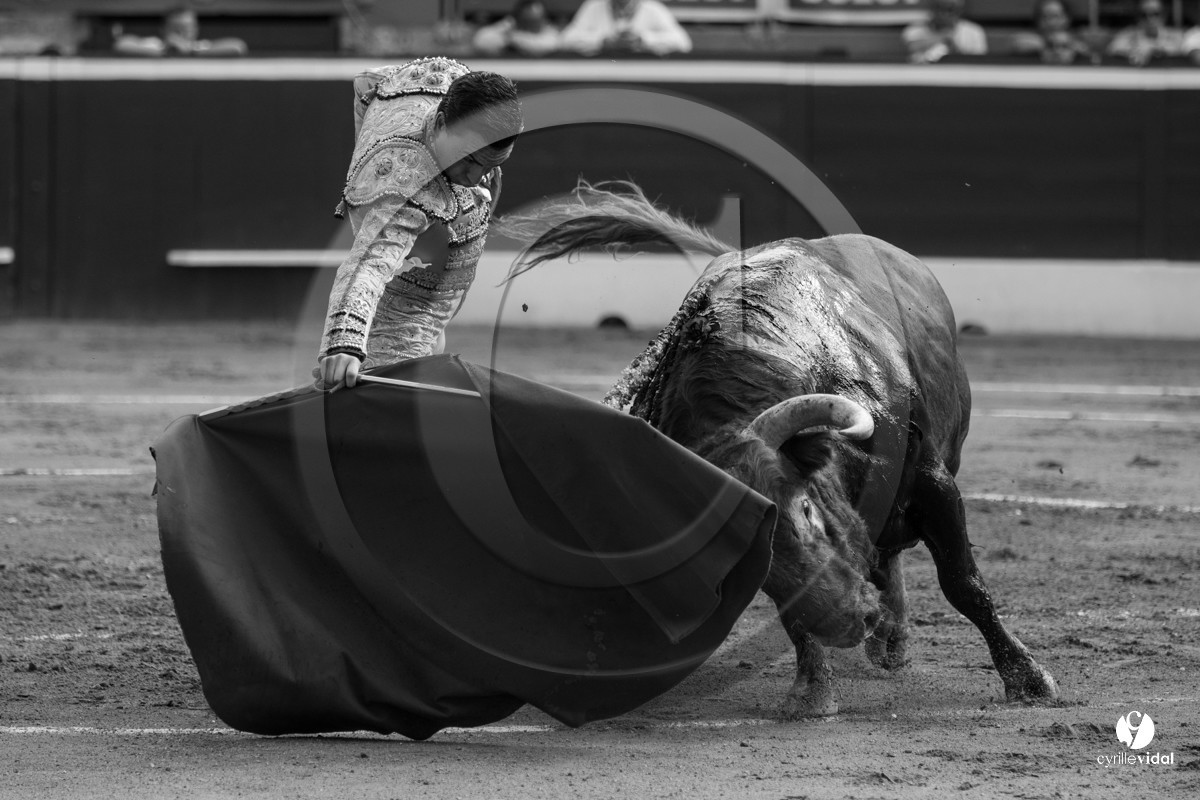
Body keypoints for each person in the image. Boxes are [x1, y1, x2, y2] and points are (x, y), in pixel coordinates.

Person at [317, 58, 523, 391]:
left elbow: (370, 81)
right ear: (440, 123)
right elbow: (368, 263)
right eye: (469, 159)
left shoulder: (454, 86)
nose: (476, 178)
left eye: (491, 164)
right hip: (400, 309)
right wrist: (345, 340)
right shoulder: (404, 181)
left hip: (431, 277)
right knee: (393, 388)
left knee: (430, 341)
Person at [560, 0, 692, 56]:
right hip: (600, 76)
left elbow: (683, 43)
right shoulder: (593, 7)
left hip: (644, 77)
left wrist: (643, 40)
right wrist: (602, 41)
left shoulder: (653, 9)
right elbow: (566, 40)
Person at [112, 6, 247, 57]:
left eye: (186, 28)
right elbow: (121, 44)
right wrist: (165, 51)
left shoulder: (201, 46)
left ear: (196, 29)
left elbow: (237, 46)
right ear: (163, 29)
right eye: (175, 28)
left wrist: (191, 51)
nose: (181, 33)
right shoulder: (154, 44)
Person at [902, 0, 987, 63]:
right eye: (940, 8)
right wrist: (943, 37)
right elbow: (911, 47)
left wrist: (955, 51)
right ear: (932, 9)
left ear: (959, 11)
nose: (944, 14)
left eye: (950, 9)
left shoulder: (974, 31)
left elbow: (979, 62)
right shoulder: (914, 29)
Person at [1106, 0, 1188, 65]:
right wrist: (1132, 51)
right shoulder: (1130, 34)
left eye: (1155, 14)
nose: (1150, 19)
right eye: (1144, 15)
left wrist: (1154, 50)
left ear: (1163, 15)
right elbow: (1112, 49)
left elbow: (1185, 49)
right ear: (1138, 18)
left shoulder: (1174, 35)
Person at [1012, 0, 1094, 64]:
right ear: (1038, 20)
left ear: (1067, 18)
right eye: (1045, 17)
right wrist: (1047, 44)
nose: (1051, 22)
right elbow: (1017, 43)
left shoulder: (1078, 39)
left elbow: (1091, 52)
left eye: (1056, 16)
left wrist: (1070, 45)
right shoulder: (1033, 40)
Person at [472, 0, 561, 56]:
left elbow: (552, 45)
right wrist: (506, 30)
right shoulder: (508, 27)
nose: (531, 24)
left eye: (535, 21)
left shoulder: (550, 32)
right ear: (518, 18)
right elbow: (480, 41)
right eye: (527, 20)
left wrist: (515, 39)